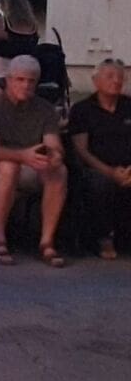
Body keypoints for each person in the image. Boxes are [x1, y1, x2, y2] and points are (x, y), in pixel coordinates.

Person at [0, 55, 68, 267]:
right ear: (8, 80)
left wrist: (55, 156)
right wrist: (22, 156)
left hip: (32, 164)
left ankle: (46, 242)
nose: (26, 85)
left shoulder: (45, 109)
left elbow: (53, 143)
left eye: (31, 81)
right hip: (0, 164)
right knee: (8, 167)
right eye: (20, 79)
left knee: (59, 171)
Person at [69, 59, 131, 260]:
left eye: (120, 77)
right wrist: (110, 172)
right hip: (97, 168)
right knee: (100, 184)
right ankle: (104, 238)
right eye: (110, 76)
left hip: (128, 168)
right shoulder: (82, 110)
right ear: (96, 81)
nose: (116, 81)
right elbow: (82, 150)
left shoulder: (128, 105)